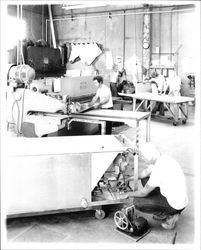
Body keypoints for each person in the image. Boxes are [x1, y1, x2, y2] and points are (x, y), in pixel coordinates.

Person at [132, 143, 188, 230]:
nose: (142, 158)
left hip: (175, 205)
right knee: (146, 179)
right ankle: (163, 208)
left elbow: (143, 193)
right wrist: (129, 178)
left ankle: (170, 216)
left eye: (143, 156)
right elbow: (144, 174)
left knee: (137, 202)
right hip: (177, 198)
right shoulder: (161, 159)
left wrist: (126, 194)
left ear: (149, 156)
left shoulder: (159, 169)